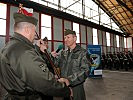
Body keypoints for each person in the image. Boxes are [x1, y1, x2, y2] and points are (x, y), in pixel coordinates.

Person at [0, 7, 71, 100]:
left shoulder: (9, 46)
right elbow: (45, 83)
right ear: (27, 30)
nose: (35, 35)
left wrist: (37, 48)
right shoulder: (25, 52)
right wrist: (66, 90)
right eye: (34, 31)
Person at [52, 29, 90, 100]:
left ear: (75, 38)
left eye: (68, 37)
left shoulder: (82, 53)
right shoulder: (63, 53)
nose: (66, 40)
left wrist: (69, 80)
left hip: (76, 87)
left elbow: (85, 70)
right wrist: (52, 57)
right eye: (65, 38)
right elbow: (56, 65)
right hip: (64, 87)